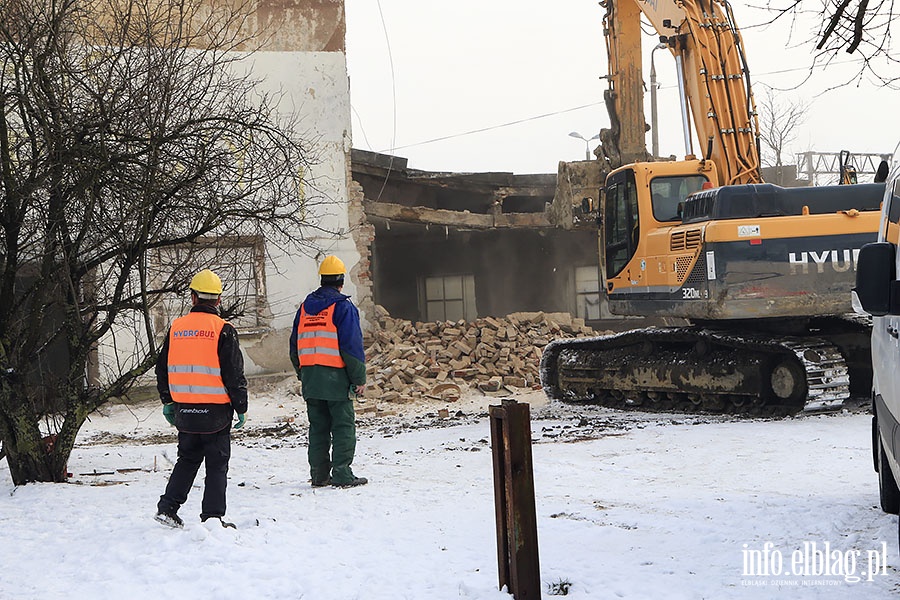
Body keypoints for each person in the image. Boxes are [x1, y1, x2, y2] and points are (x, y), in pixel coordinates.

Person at [154, 269, 248, 528]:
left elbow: (162, 368)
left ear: (193, 297)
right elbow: (233, 372)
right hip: (216, 412)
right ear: (218, 300)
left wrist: (167, 402)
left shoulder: (177, 328)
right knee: (217, 465)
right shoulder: (223, 329)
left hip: (185, 411)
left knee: (187, 459)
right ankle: (213, 517)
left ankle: (167, 508)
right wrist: (241, 406)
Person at [290, 255, 367, 488]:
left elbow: (294, 345)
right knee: (343, 426)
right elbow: (351, 347)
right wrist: (359, 378)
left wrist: (302, 373)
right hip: (337, 379)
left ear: (322, 279)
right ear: (341, 281)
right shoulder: (343, 307)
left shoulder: (304, 308)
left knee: (318, 428)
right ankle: (342, 474)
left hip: (312, 379)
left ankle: (319, 475)